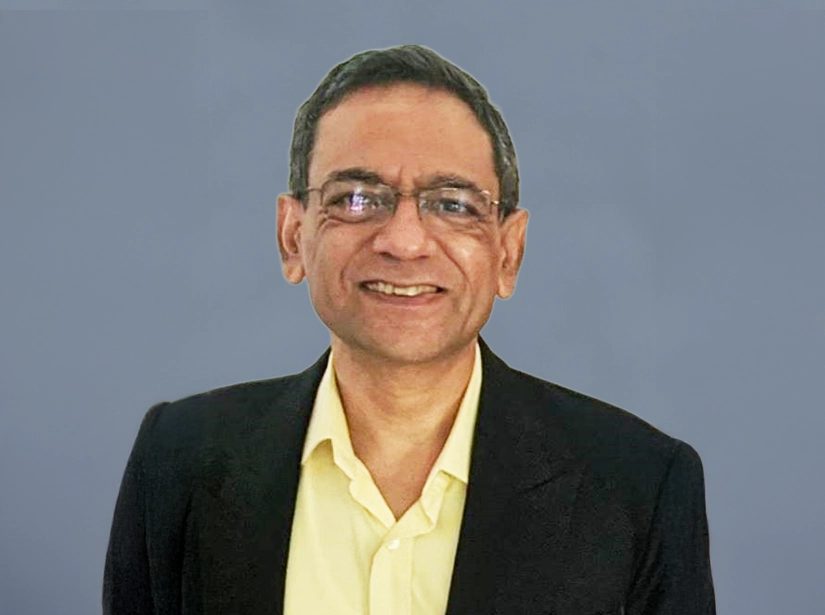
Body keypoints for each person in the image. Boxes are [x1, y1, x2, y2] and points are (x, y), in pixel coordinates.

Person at [103, 45, 715, 615]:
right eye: (356, 198)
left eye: (452, 204)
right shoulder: (178, 459)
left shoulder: (638, 487)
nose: (403, 241)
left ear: (508, 252)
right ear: (293, 237)